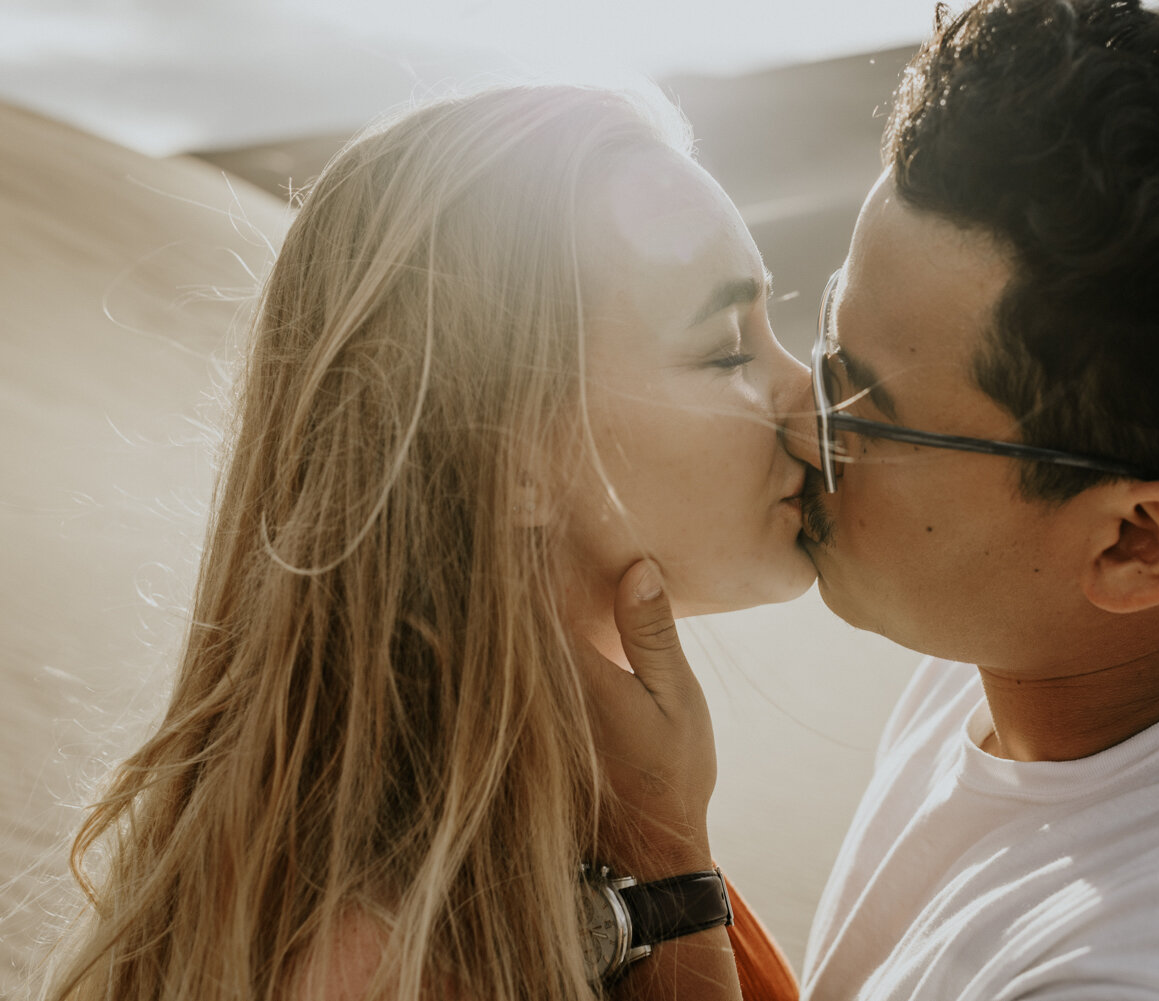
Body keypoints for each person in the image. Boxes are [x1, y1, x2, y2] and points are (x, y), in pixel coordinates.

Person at [595, 1, 1159, 998]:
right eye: (828, 346)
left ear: (1134, 544)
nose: (800, 427)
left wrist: (660, 855)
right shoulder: (1040, 647)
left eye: (866, 408)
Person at [43, 85, 811, 1001]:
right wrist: (671, 875)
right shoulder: (391, 961)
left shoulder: (582, 825)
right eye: (728, 349)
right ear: (511, 452)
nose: (805, 394)